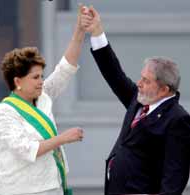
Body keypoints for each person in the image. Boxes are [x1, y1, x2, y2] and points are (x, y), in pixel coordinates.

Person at [80, 6, 190, 195]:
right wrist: (97, 32)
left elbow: (175, 177)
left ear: (164, 89)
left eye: (146, 81)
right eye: (141, 77)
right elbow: (113, 73)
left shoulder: (177, 119)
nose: (139, 83)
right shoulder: (139, 100)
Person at [0, 6, 86, 195]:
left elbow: (65, 69)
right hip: (18, 190)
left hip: (52, 185)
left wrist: (80, 31)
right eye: (35, 78)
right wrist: (63, 139)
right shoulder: (3, 113)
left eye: (41, 76)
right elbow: (27, 150)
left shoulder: (43, 96)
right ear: (17, 81)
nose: (41, 82)